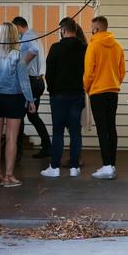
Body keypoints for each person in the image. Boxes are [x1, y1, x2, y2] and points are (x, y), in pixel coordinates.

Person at [0, 22, 36, 188]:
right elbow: (24, 81)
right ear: (13, 36)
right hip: (14, 99)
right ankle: (8, 176)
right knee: (12, 138)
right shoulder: (18, 56)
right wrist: (31, 100)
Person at [40, 17, 88, 178]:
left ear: (63, 30)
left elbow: (49, 73)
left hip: (59, 95)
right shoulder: (84, 48)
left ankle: (54, 167)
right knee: (75, 131)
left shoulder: (55, 48)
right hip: (77, 93)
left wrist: (52, 90)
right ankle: (74, 167)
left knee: (58, 131)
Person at [83, 16, 126, 180]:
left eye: (92, 27)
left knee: (102, 129)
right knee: (111, 127)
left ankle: (107, 166)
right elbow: (122, 72)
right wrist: (114, 82)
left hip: (97, 92)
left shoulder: (93, 46)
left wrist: (87, 88)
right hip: (112, 91)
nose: (90, 30)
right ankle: (112, 164)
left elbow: (89, 73)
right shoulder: (117, 47)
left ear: (97, 29)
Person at [11, 16, 52, 159]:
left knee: (20, 116)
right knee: (32, 116)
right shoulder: (33, 35)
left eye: (14, 29)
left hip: (31, 82)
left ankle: (17, 152)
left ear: (18, 26)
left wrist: (22, 62)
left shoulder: (28, 37)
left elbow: (33, 50)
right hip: (37, 81)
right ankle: (47, 146)